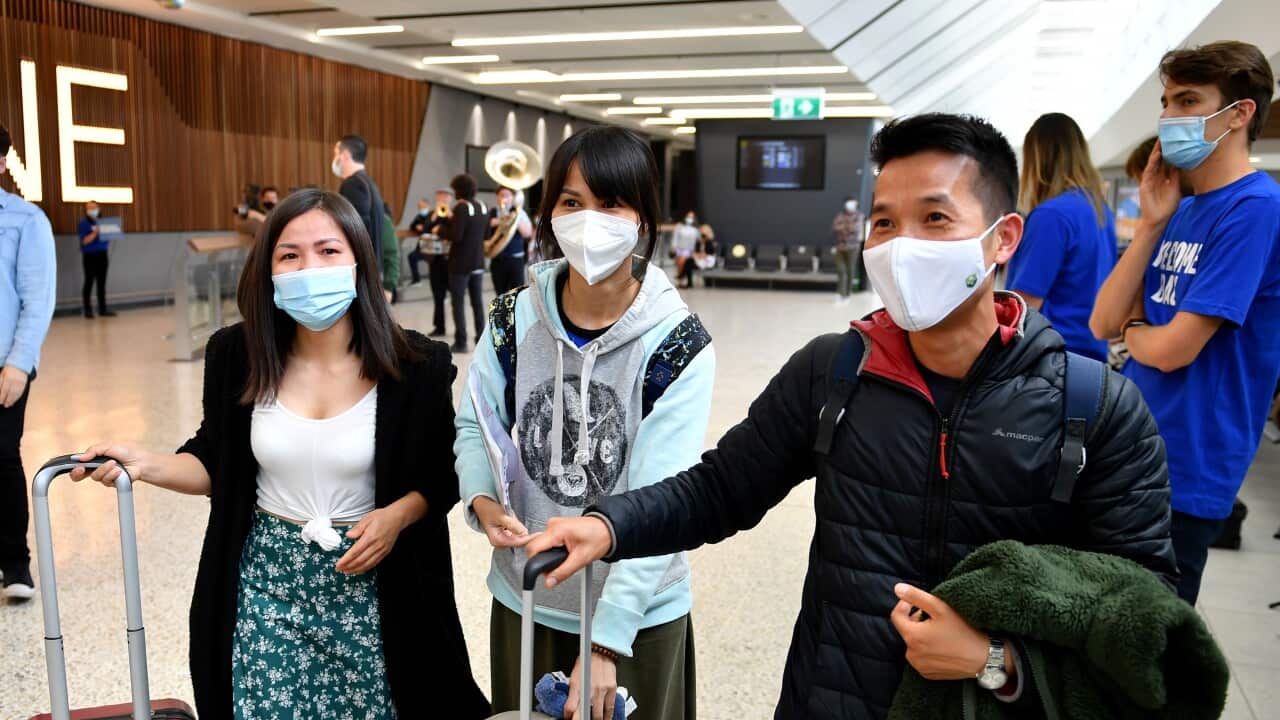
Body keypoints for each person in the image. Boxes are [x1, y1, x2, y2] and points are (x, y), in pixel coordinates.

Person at [526, 113, 1177, 720]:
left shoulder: (1094, 413)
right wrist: (609, 526)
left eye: (935, 219)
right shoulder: (833, 372)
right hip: (832, 697)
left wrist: (998, 663)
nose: (900, 246)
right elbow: (720, 489)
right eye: (885, 223)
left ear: (1001, 239)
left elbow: (1147, 625)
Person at [69, 189, 489, 719]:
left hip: (376, 583)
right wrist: (145, 463)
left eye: (328, 251)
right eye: (290, 255)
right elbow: (214, 460)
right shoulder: (237, 355)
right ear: (267, 270)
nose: (309, 267)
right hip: (269, 581)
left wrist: (395, 518)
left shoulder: (416, 366)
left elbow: (439, 474)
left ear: (358, 261)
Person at [456, 126, 714, 720]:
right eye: (571, 202)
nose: (589, 219)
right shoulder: (510, 320)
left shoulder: (679, 344)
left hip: (636, 618)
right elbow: (477, 424)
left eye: (611, 202)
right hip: (528, 596)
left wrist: (606, 638)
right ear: (548, 215)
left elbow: (664, 500)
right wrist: (484, 499)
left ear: (644, 218)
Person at [1090, 41, 1280, 606]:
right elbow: (1104, 319)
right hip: (1133, 449)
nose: (1170, 116)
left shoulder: (1255, 208)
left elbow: (1174, 349)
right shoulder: (1185, 208)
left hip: (1188, 469)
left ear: (1240, 112)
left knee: (1144, 648)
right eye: (1168, 101)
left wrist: (1137, 332)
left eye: (1188, 100)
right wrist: (1151, 225)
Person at [1005, 113, 1116, 361]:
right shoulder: (1099, 209)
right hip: (1091, 354)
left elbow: (1024, 306)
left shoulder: (1051, 216)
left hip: (1052, 356)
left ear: (1038, 157)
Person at [0, 124, 56, 602]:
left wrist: (19, 362)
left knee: (1, 459)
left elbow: (36, 297)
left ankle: (15, 565)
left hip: (4, 365)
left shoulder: (24, 220)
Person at [446, 173, 489, 354]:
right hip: (478, 261)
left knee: (458, 303)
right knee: (477, 302)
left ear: (459, 190)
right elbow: (486, 235)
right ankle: (481, 339)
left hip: (460, 264)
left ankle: (461, 341)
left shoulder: (461, 208)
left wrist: (441, 228)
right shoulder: (483, 206)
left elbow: (456, 236)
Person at [333, 134, 387, 273]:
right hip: (371, 265)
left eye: (335, 154)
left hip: (361, 268)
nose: (334, 159)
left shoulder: (353, 184)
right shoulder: (368, 182)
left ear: (344, 155)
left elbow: (354, 228)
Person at [408, 190, 454, 337]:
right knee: (437, 296)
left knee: (456, 298)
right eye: (440, 198)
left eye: (445, 198)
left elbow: (456, 232)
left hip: (451, 260)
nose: (443, 200)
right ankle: (439, 327)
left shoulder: (454, 215)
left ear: (450, 199)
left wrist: (450, 217)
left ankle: (460, 329)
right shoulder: (430, 215)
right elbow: (424, 231)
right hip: (435, 260)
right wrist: (433, 218)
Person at [485, 185, 533, 295]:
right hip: (497, 260)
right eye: (501, 195)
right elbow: (485, 227)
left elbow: (528, 233)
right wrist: (502, 220)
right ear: (497, 197)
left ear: (512, 198)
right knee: (500, 295)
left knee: (517, 295)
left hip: (515, 260)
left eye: (507, 195)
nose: (504, 198)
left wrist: (514, 219)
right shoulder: (492, 212)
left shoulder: (519, 212)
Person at [78, 200, 116, 319]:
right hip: (90, 255)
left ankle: (102, 308)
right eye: (89, 208)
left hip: (102, 254)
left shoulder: (103, 222)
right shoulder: (84, 223)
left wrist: (112, 232)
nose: (92, 210)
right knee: (89, 281)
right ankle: (88, 309)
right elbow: (84, 241)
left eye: (94, 208)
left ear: (98, 208)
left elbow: (107, 238)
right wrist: (95, 233)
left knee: (102, 282)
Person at [831, 196, 864, 302]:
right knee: (841, 271)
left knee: (850, 270)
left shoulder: (859, 216)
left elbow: (855, 228)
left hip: (853, 247)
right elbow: (835, 227)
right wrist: (847, 227)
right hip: (840, 247)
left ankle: (847, 294)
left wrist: (844, 226)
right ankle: (841, 293)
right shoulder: (840, 215)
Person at [670, 211, 699, 282]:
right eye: (689, 216)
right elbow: (675, 237)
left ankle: (681, 277)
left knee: (682, 261)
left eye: (691, 217)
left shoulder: (695, 230)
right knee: (679, 261)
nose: (690, 218)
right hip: (679, 248)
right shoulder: (679, 226)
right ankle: (680, 278)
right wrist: (674, 247)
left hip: (689, 250)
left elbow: (697, 242)